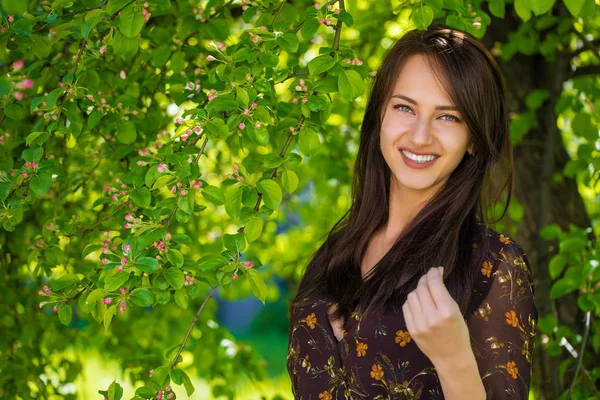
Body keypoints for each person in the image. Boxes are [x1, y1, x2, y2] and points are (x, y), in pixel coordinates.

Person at [286, 23, 538, 400]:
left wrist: (454, 359)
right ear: (379, 118)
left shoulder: (493, 265)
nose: (420, 136)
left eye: (448, 116)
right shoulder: (334, 255)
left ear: (473, 138)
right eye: (405, 107)